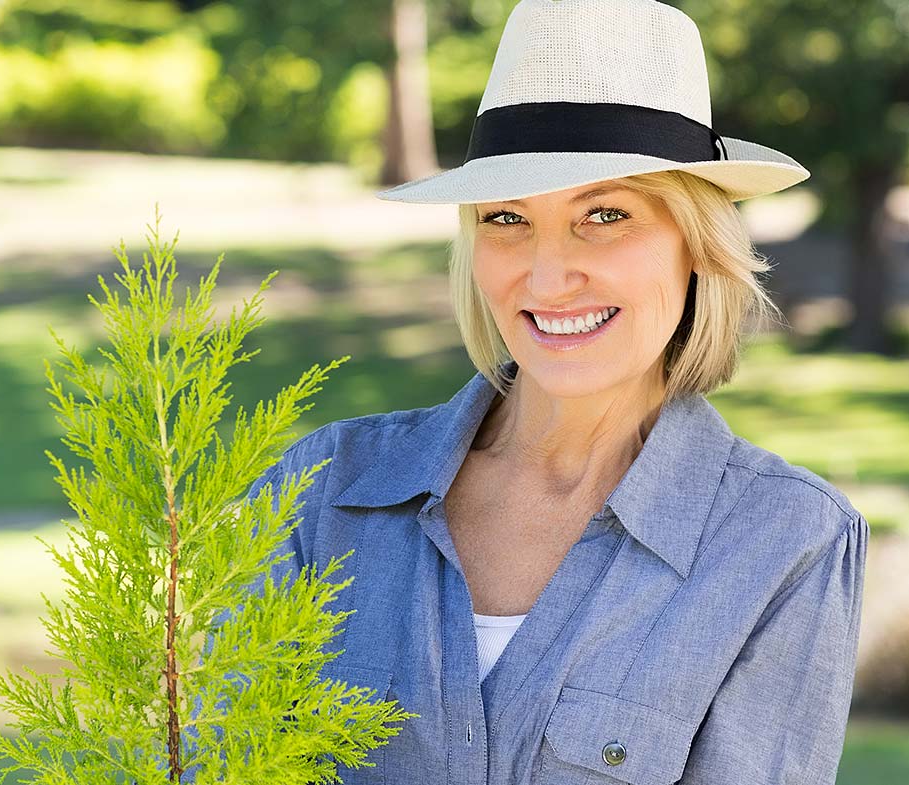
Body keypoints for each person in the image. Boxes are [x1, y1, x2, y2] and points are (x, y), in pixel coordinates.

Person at [245, 0, 869, 782]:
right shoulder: (323, 493)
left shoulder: (784, 542)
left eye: (604, 214)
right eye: (507, 217)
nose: (545, 277)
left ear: (698, 246)